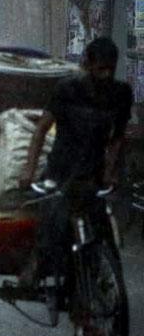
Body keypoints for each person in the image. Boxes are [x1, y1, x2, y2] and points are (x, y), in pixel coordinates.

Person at [17, 36, 133, 285]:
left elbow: (117, 137)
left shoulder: (121, 93)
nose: (105, 76)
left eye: (110, 69)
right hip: (61, 170)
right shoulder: (67, 90)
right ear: (87, 64)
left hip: (93, 172)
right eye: (100, 68)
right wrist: (28, 170)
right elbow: (41, 130)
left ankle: (103, 282)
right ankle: (37, 263)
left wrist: (110, 171)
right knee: (54, 220)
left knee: (103, 229)